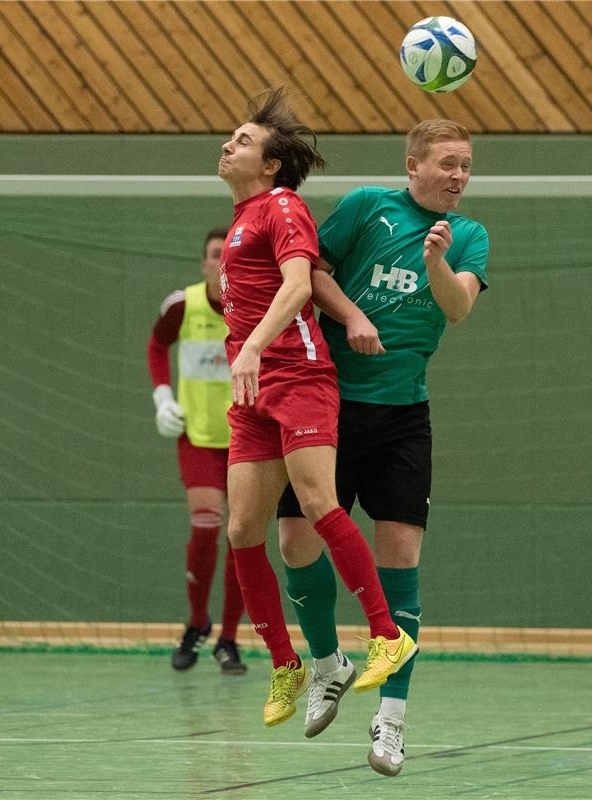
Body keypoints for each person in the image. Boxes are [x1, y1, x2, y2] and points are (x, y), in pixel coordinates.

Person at [277, 119, 490, 775]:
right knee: (294, 543)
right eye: (448, 163)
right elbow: (311, 272)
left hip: (403, 417)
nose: (459, 176)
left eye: (467, 166)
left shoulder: (470, 236)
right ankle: (326, 662)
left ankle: (391, 723)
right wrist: (354, 314)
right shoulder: (368, 206)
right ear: (413, 163)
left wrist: (434, 262)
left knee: (400, 561)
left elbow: (457, 310)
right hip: (330, 406)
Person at [217, 86, 417, 727]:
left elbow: (301, 283)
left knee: (317, 503)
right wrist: (245, 359)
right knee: (244, 530)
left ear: (272, 164)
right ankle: (288, 664)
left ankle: (386, 634)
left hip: (299, 376)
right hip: (251, 390)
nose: (228, 144)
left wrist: (250, 348)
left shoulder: (284, 207)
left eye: (243, 140)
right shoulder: (241, 221)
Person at [147, 227, 247, 675]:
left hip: (247, 437)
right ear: (204, 263)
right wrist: (163, 396)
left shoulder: (255, 306)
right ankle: (195, 622)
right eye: (214, 254)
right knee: (206, 528)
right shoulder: (181, 306)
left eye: (229, 254)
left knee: (242, 537)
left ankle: (229, 637)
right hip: (199, 437)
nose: (221, 261)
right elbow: (156, 347)